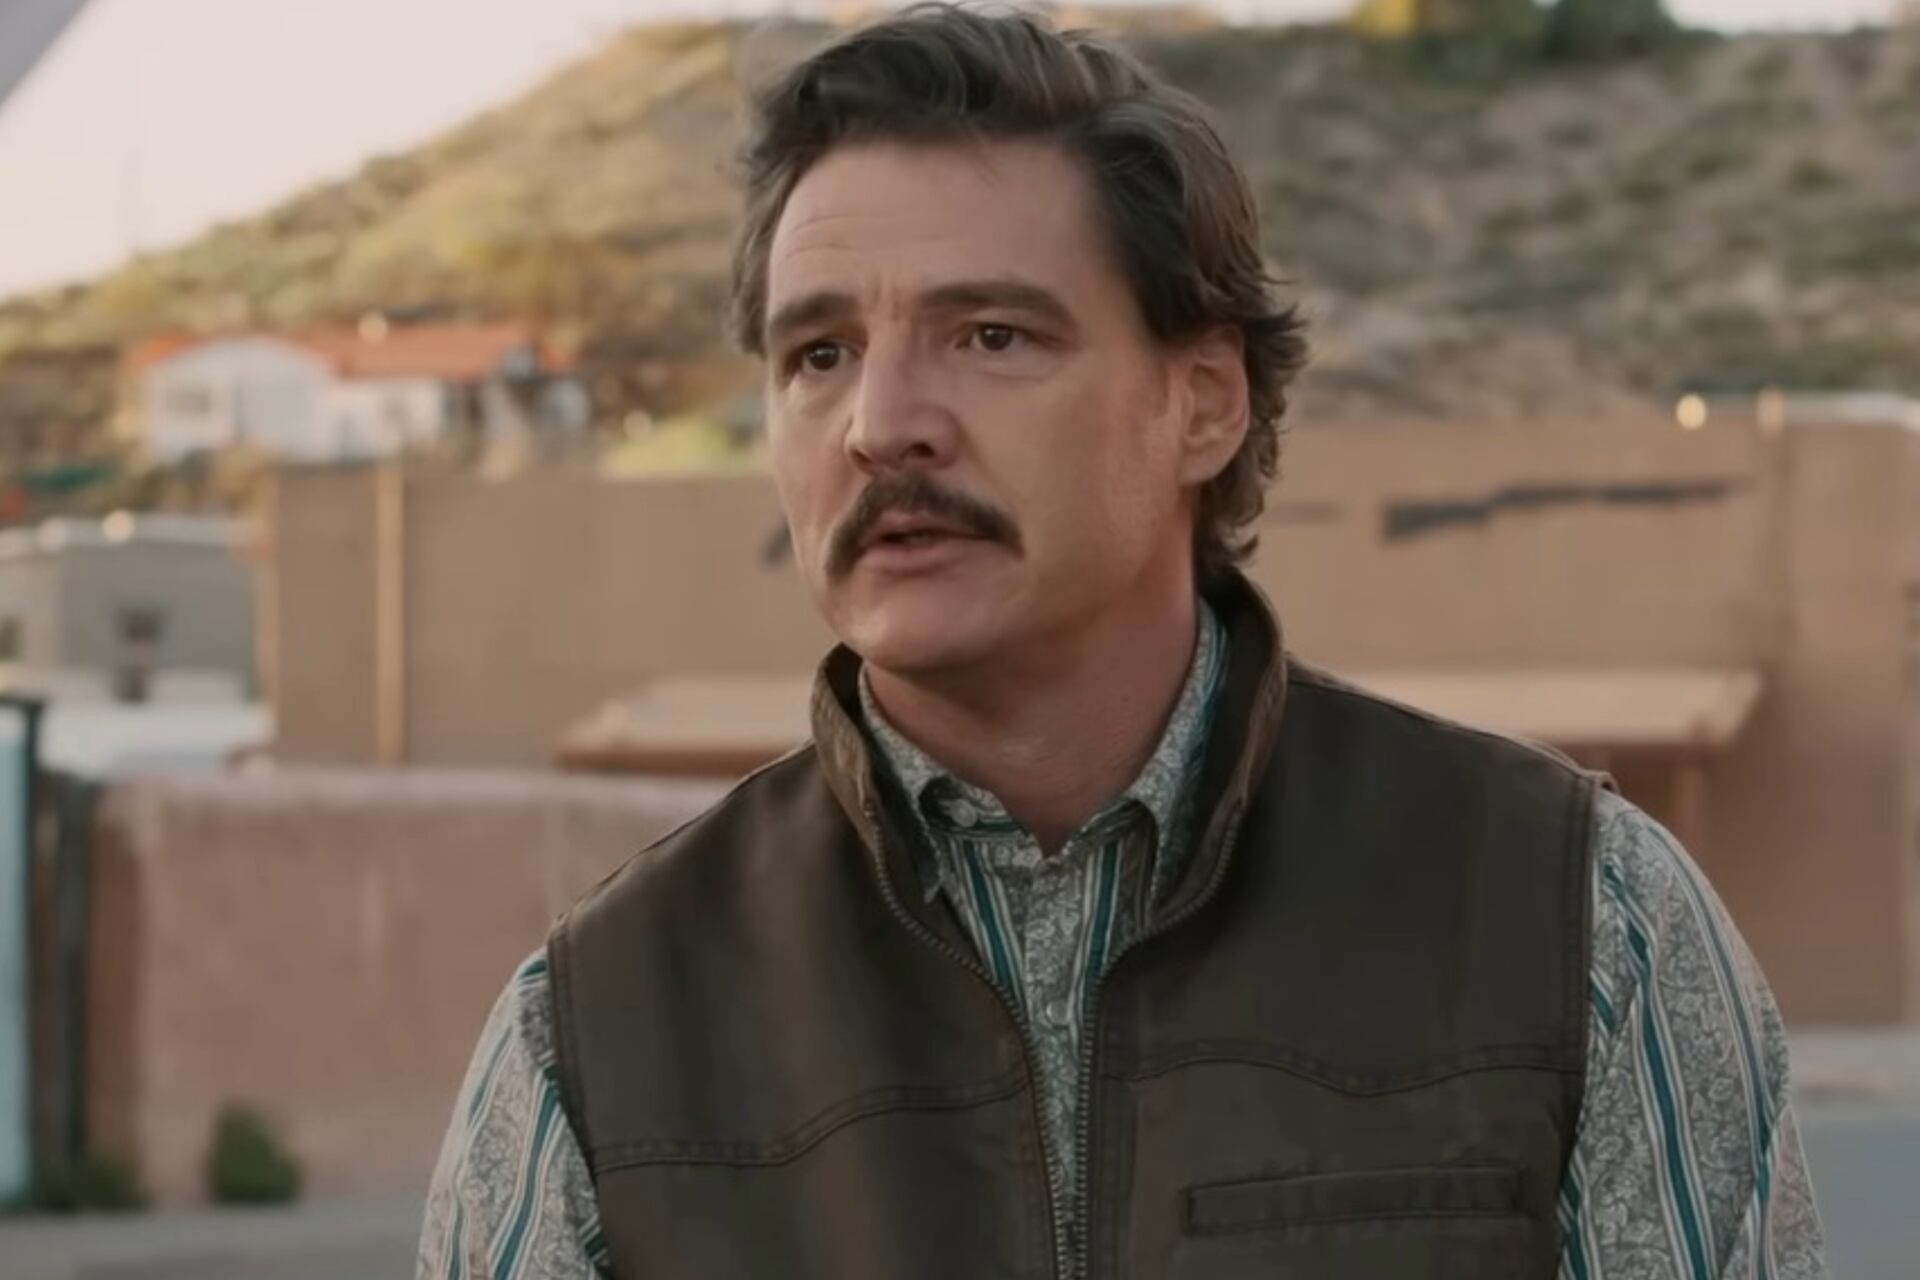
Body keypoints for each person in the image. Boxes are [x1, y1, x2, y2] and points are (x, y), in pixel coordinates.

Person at [418, 6, 1827, 1277]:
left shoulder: (1582, 926)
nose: (881, 424)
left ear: (1202, 402)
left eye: (991, 335)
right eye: (820, 355)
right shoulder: (595, 1034)